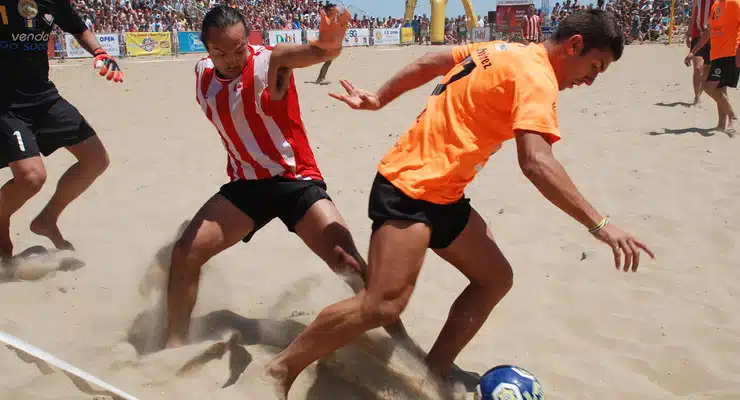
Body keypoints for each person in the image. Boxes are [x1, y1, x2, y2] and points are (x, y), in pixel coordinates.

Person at [266, 10, 655, 397]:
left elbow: (430, 60)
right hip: (410, 189)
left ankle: (431, 370)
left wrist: (380, 98)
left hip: (444, 194)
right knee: (381, 306)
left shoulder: (505, 49)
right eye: (595, 66)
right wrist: (600, 225)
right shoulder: (538, 77)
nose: (590, 79)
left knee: (495, 278)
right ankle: (281, 369)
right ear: (575, 45)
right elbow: (536, 162)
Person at [164, 5, 410, 348]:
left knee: (349, 262)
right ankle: (174, 344)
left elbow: (316, 52)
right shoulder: (203, 73)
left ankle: (403, 343)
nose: (232, 59)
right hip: (246, 185)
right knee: (184, 255)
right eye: (220, 52)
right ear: (205, 49)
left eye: (239, 49)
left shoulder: (268, 62)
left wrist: (330, 45)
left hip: (295, 180)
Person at [0, 0, 123, 258]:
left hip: (44, 97)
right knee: (32, 178)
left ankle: (47, 219)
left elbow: (78, 27)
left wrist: (100, 52)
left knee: (96, 160)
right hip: (6, 104)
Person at [685, 0, 740, 134]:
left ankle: (733, 116)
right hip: (717, 53)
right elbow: (709, 32)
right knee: (717, 87)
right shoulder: (716, 5)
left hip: (730, 53)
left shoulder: (734, 3)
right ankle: (722, 124)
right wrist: (693, 51)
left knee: (711, 87)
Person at [687, 0, 714, 104]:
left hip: (712, 37)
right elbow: (693, 16)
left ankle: (699, 93)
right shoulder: (697, 1)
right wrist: (689, 34)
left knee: (707, 69)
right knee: (698, 67)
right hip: (697, 34)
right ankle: (697, 98)